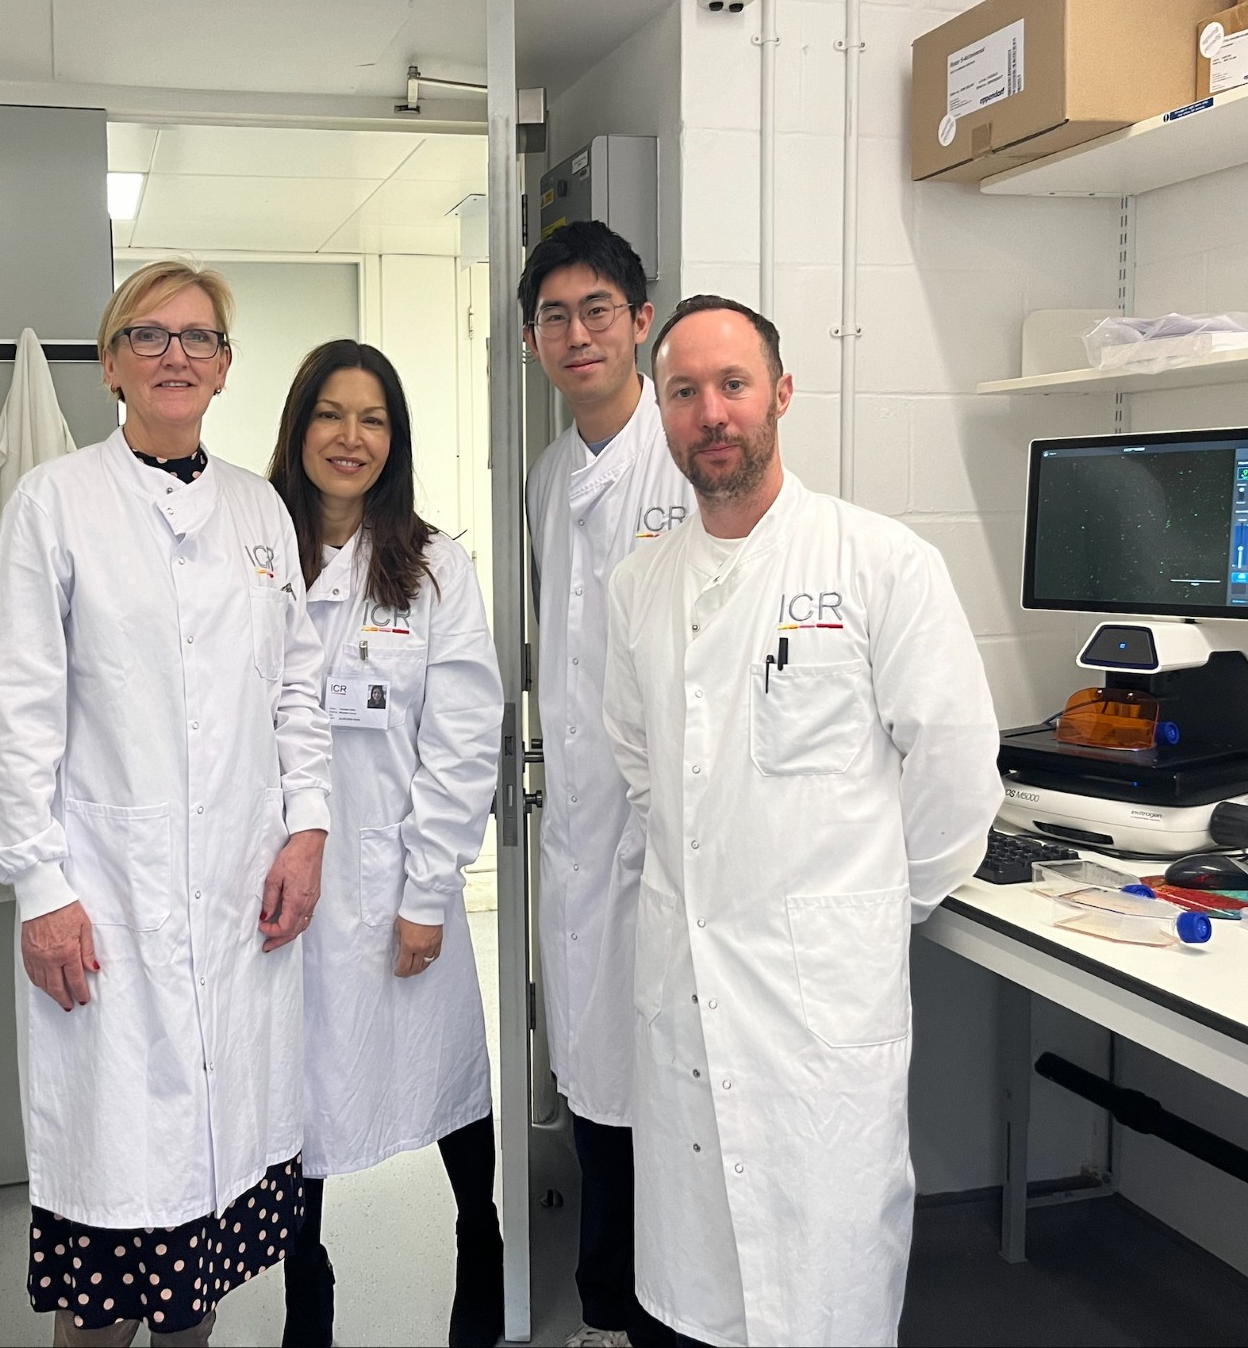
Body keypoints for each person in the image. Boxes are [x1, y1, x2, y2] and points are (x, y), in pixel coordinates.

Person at [602, 296, 1003, 1347]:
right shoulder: (638, 586)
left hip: (820, 1008)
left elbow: (958, 771)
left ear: (781, 394)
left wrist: (858, 912)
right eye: (684, 391)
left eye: (733, 385)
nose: (711, 413)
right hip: (687, 993)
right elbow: (642, 763)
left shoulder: (879, 563)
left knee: (824, 1290)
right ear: (660, 409)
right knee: (694, 1295)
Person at [0, 260, 334, 1348]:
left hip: (236, 902)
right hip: (106, 906)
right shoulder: (55, 503)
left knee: (204, 1240)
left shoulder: (259, 510)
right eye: (149, 335)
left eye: (199, 338)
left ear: (224, 368)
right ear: (111, 364)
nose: (175, 355)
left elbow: (298, 690)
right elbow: (14, 711)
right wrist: (41, 888)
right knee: (111, 1244)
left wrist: (308, 829)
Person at [267, 341, 506, 1348]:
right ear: (300, 426)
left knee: (446, 1077)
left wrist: (425, 892)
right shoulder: (257, 549)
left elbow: (462, 741)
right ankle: (305, 1286)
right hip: (290, 878)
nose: (350, 437)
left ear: (394, 441)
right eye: (331, 414)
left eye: (373, 419)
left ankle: (481, 1244)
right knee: (297, 1096)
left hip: (401, 868)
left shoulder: (435, 566)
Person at [521, 221, 695, 1348]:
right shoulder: (550, 473)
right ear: (534, 340)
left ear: (640, 321)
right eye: (554, 317)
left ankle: (660, 1311)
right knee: (591, 1072)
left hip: (672, 833)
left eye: (598, 311)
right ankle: (603, 1308)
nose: (577, 334)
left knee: (669, 1086)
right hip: (579, 828)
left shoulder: (686, 457)